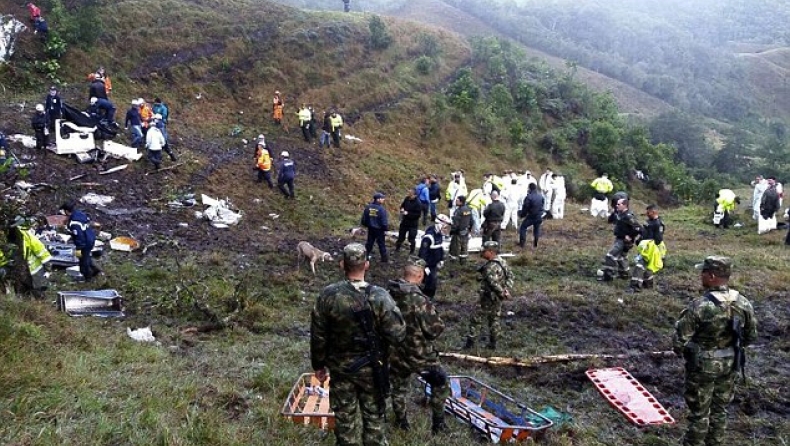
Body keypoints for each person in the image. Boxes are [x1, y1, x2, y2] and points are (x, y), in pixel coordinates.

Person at [310, 243, 406, 446]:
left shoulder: (328, 295)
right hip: (373, 370)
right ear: (367, 265)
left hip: (341, 370)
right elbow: (398, 335)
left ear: (341, 265)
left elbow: (318, 335)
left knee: (345, 423)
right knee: (375, 422)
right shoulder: (380, 296)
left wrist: (319, 365)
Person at [673, 256, 757, 446]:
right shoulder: (743, 303)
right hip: (730, 364)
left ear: (711, 276)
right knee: (720, 411)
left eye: (703, 272)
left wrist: (690, 350)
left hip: (702, 366)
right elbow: (751, 337)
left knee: (700, 414)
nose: (700, 276)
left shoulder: (700, 305)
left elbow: (679, 342)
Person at [388, 257, 449, 434]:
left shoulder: (387, 294)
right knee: (440, 384)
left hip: (395, 353)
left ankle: (401, 422)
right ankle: (439, 425)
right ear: (420, 275)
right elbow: (434, 330)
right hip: (420, 354)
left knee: (398, 388)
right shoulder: (419, 300)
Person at [464, 241, 512, 350]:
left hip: (487, 297)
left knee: (476, 319)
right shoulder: (502, 262)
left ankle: (469, 344)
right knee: (494, 319)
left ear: (491, 252)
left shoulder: (490, 267)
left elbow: (493, 283)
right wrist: (506, 290)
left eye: (484, 251)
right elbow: (510, 276)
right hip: (497, 298)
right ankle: (493, 344)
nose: (482, 253)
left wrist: (501, 292)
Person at [598, 198, 641, 282]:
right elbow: (610, 221)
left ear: (625, 205)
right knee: (621, 257)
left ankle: (608, 276)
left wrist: (630, 236)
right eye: (616, 204)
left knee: (610, 256)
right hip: (618, 238)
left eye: (618, 204)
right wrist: (613, 212)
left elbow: (638, 228)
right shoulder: (619, 213)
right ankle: (624, 275)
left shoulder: (628, 216)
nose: (616, 205)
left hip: (623, 241)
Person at [60, 201, 102, 282]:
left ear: (67, 211)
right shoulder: (79, 213)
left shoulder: (73, 223)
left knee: (82, 261)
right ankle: (95, 270)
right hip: (90, 238)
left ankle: (87, 277)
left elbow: (79, 236)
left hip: (84, 242)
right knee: (86, 257)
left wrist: (78, 249)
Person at [629, 204, 666, 292]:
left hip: (650, 249)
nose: (647, 213)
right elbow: (644, 233)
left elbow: (658, 239)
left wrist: (648, 244)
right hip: (644, 247)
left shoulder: (658, 224)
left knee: (639, 266)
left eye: (648, 212)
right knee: (648, 268)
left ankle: (635, 287)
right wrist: (639, 240)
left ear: (654, 212)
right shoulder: (648, 221)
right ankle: (648, 285)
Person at [419, 215, 450, 299]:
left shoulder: (439, 235)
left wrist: (441, 259)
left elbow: (440, 248)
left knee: (432, 283)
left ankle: (428, 299)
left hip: (434, 264)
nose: (446, 229)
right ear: (439, 224)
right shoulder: (429, 237)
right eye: (444, 226)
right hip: (428, 265)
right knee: (429, 283)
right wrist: (424, 267)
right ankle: (426, 299)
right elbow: (422, 253)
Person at [361, 192, 389, 263]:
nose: (383, 200)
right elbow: (384, 221)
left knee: (369, 243)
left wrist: (367, 225)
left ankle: (365, 256)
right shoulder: (381, 209)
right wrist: (385, 229)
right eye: (382, 198)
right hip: (379, 230)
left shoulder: (368, 207)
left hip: (370, 228)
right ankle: (384, 259)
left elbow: (364, 219)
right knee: (381, 244)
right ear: (378, 199)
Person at [395, 188, 422, 255]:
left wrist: (408, 213)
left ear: (415, 195)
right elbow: (402, 206)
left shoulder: (418, 203)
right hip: (404, 222)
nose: (409, 195)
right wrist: (402, 209)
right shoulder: (407, 198)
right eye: (409, 193)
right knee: (401, 236)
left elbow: (418, 215)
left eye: (411, 194)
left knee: (411, 238)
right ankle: (397, 248)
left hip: (413, 224)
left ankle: (412, 251)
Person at [518, 183, 545, 249]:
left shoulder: (529, 197)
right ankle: (535, 243)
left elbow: (525, 208)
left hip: (531, 216)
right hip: (539, 216)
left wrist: (522, 215)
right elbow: (542, 205)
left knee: (523, 227)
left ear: (529, 188)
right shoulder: (541, 196)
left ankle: (522, 244)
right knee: (536, 229)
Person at [449, 195, 473, 263]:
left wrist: (452, 230)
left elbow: (456, 222)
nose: (456, 201)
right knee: (464, 246)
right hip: (465, 231)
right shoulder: (469, 209)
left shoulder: (458, 211)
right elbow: (471, 221)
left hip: (458, 232)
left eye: (457, 200)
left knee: (454, 247)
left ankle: (453, 261)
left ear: (461, 202)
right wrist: (470, 229)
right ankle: (463, 261)